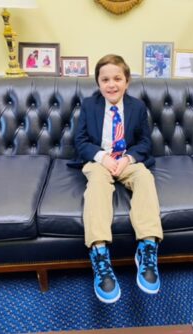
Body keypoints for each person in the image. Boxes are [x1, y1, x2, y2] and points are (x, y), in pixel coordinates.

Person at [71, 54, 163, 304]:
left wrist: (128, 159)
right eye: (105, 79)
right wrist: (102, 157)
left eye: (117, 79)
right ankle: (100, 254)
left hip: (126, 161)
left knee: (145, 177)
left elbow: (144, 142)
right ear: (98, 83)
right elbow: (79, 142)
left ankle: (147, 248)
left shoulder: (137, 107)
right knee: (98, 185)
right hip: (100, 161)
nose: (111, 84)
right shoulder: (89, 106)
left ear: (127, 81)